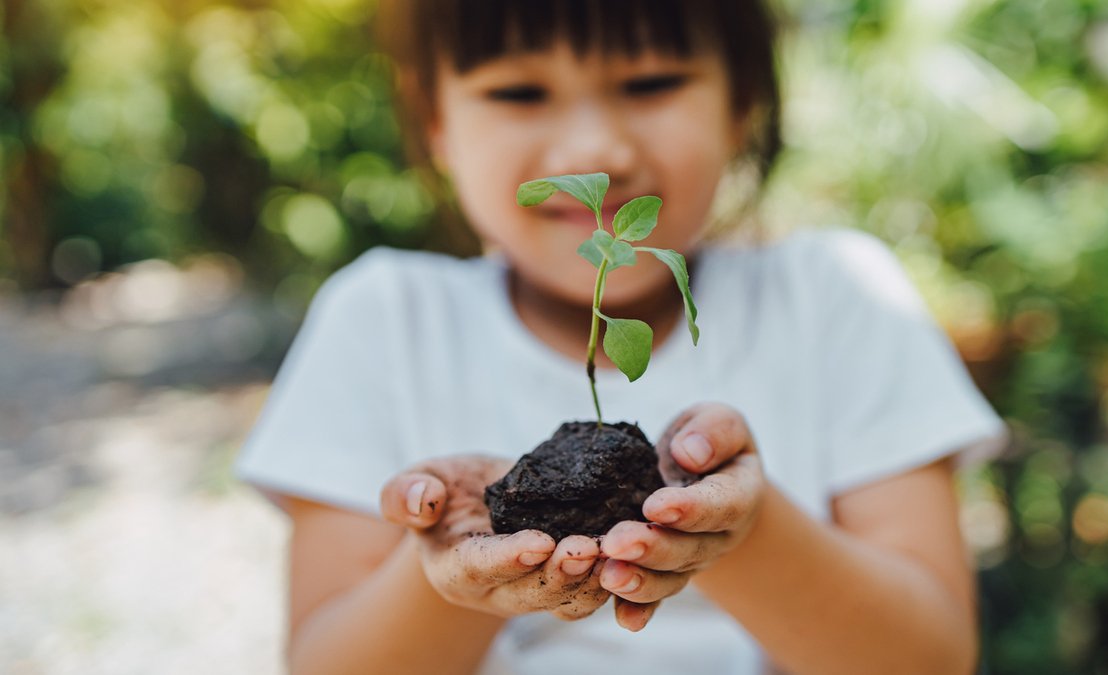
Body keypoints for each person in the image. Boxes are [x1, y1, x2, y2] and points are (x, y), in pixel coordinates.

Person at [236, 1, 1008, 673]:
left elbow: (929, 658)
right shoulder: (384, 317)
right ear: (435, 119)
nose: (594, 153)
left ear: (742, 94)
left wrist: (739, 530)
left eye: (650, 83)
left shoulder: (839, 296)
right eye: (518, 91)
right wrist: (455, 575)